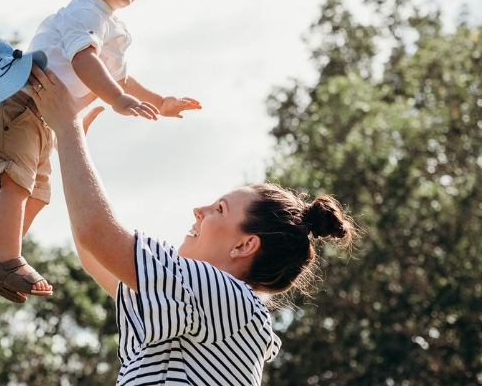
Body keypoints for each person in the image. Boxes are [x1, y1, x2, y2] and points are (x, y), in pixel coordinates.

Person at [25, 64, 359, 384]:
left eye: (219, 209)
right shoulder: (207, 305)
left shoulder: (228, 298)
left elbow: (96, 234)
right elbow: (94, 251)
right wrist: (70, 143)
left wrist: (67, 127)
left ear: (244, 245)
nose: (198, 210)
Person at [0, 0, 202, 303]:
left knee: (39, 194)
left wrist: (162, 102)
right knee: (18, 184)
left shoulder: (110, 25)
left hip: (42, 116)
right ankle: (9, 259)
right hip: (19, 103)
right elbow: (84, 61)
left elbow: (122, 79)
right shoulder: (85, 11)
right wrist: (115, 99)